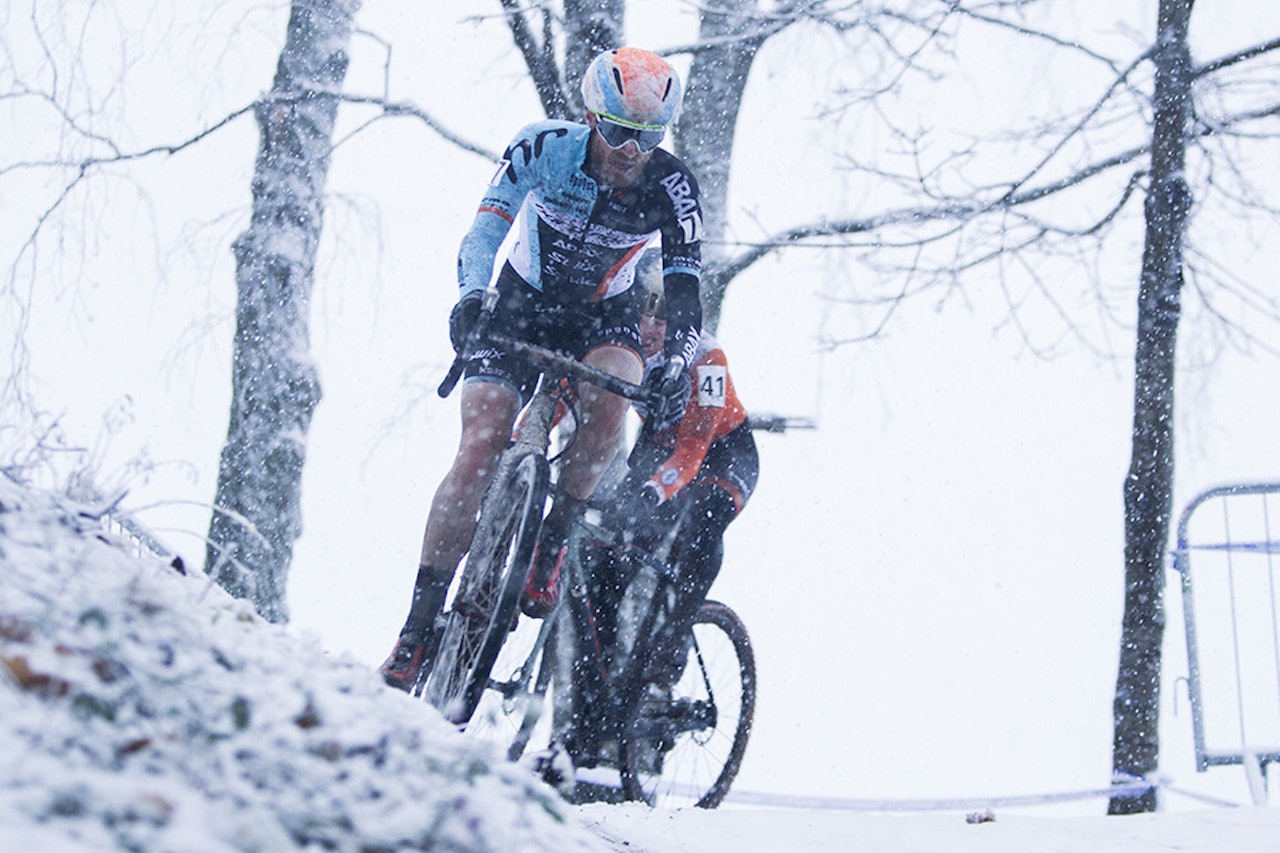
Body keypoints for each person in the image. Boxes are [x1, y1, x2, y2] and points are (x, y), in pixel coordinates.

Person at [380, 48, 705, 691]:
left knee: (613, 400)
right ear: (590, 117)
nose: (631, 151)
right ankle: (417, 631)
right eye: (617, 132)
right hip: (520, 303)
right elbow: (482, 235)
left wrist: (675, 364)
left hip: (602, 316)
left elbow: (689, 294)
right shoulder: (541, 149)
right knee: (478, 449)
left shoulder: (672, 186)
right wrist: (471, 297)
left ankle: (554, 533)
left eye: (648, 137)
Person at [567, 250, 759, 765]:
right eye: (642, 313)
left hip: (720, 452)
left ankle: (673, 638)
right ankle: (596, 712)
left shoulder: (709, 360)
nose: (650, 328)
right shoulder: (627, 347)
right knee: (608, 563)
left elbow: (693, 452)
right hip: (657, 447)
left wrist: (654, 492)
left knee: (702, 517)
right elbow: (577, 388)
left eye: (663, 318)